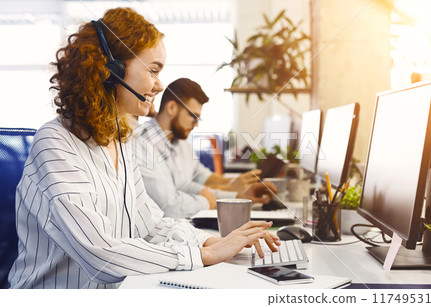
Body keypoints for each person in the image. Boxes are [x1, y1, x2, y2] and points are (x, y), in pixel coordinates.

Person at [8, 7, 279, 289]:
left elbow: (149, 223)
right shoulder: (55, 144)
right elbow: (100, 254)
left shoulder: (120, 141)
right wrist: (203, 254)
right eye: (153, 70)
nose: (160, 85)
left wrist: (213, 241)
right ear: (111, 70)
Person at [134, 78, 277, 219]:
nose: (196, 124)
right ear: (171, 108)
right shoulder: (143, 143)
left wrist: (237, 194)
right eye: (194, 117)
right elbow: (170, 207)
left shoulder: (182, 145)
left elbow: (199, 178)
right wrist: (210, 199)